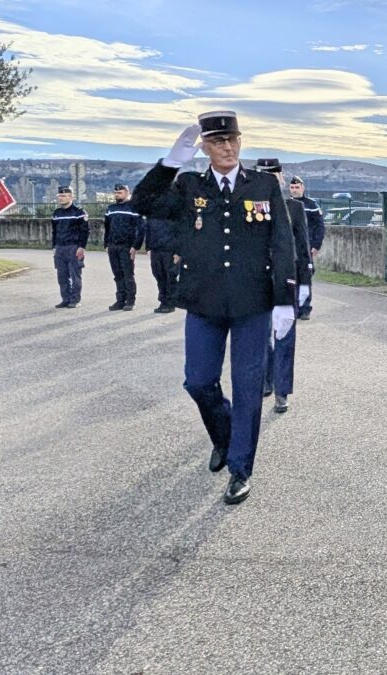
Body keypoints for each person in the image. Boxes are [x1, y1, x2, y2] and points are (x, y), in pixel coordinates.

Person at [132, 110, 297, 505]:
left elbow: (282, 242)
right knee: (199, 381)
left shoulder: (264, 185)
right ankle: (223, 436)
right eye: (218, 141)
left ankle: (241, 469)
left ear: (240, 141)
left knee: (246, 388)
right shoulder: (189, 184)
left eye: (232, 139)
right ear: (204, 147)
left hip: (252, 303)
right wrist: (171, 162)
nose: (227, 147)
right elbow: (143, 203)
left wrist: (284, 301)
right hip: (203, 302)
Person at [256, 159, 311, 414]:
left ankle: (281, 390)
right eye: (263, 174)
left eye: (273, 174)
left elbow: (301, 248)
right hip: (254, 282)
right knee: (259, 336)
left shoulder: (294, 208)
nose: (269, 178)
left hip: (285, 281)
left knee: (284, 338)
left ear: (280, 177)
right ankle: (265, 380)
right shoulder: (246, 206)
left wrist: (304, 284)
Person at [103, 183, 144, 311]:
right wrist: (106, 244)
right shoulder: (111, 208)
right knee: (117, 275)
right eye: (115, 193)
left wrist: (136, 246)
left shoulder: (134, 208)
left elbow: (141, 229)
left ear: (127, 193)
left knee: (128, 275)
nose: (117, 195)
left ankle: (130, 301)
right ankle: (120, 300)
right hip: (113, 246)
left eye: (120, 192)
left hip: (127, 246)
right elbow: (107, 228)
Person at [289, 175, 324, 320]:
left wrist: (316, 245)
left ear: (303, 188)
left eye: (297, 187)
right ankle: (293, 308)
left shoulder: (312, 205)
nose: (295, 190)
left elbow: (320, 227)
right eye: (292, 187)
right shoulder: (285, 205)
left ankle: (305, 309)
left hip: (306, 248)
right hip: (290, 248)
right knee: (291, 279)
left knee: (305, 278)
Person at [51, 186, 89, 309]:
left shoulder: (79, 212)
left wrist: (81, 247)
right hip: (60, 248)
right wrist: (54, 246)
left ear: (71, 197)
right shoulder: (57, 213)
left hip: (74, 247)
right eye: (59, 196)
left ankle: (75, 300)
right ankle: (65, 299)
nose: (61, 198)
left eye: (64, 196)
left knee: (75, 275)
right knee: (62, 276)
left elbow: (85, 231)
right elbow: (54, 231)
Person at [142, 213, 179, 313]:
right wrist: (148, 248)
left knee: (170, 277)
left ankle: (171, 303)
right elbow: (148, 231)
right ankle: (163, 302)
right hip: (155, 250)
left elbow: (181, 232)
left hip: (170, 251)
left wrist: (178, 252)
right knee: (159, 276)